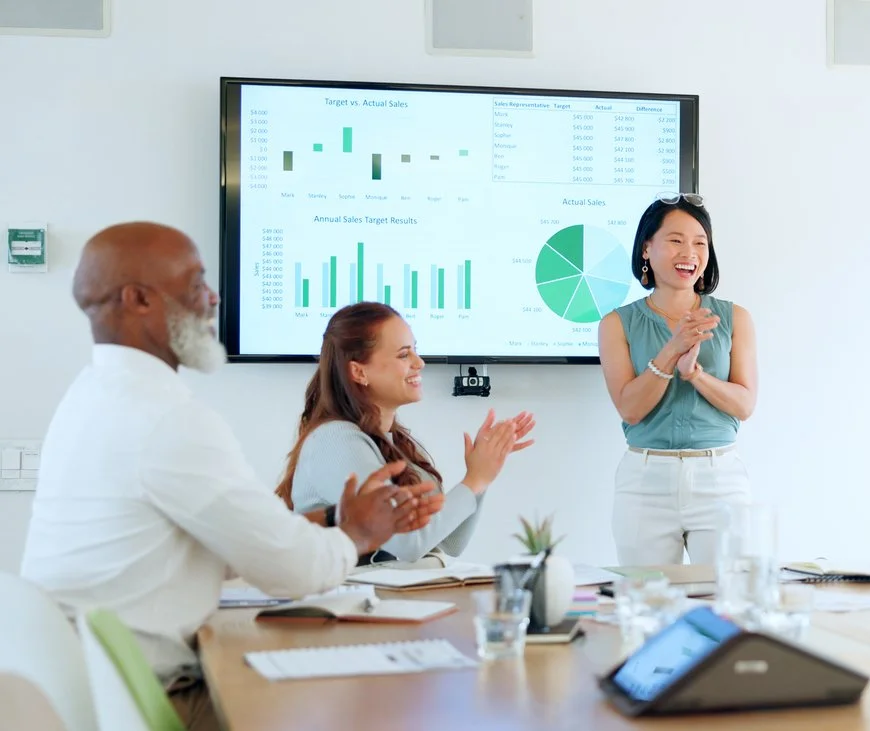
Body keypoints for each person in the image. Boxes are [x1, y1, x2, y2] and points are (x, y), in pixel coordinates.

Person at [20, 222, 444, 730]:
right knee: (375, 705)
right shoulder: (167, 419)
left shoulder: (90, 397)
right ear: (138, 300)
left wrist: (333, 518)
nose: (212, 298)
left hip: (91, 690)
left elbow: (231, 540)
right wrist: (356, 534)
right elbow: (295, 571)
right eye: (196, 283)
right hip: (150, 693)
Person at [276, 302, 536, 564]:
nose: (419, 363)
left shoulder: (392, 442)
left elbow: (451, 542)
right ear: (358, 371)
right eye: (403, 355)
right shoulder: (335, 440)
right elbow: (408, 545)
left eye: (415, 351)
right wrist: (475, 480)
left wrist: (481, 476)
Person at [598, 194, 758, 565]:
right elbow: (630, 409)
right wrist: (671, 352)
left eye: (700, 243)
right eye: (675, 240)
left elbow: (745, 405)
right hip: (645, 481)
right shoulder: (616, 323)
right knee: (647, 602)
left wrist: (695, 375)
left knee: (725, 603)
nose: (689, 252)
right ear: (646, 248)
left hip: (719, 479)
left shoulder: (736, 318)